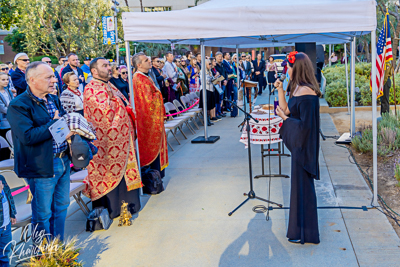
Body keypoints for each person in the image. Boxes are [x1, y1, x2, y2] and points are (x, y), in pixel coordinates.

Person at [8, 61, 73, 241]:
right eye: (49, 77)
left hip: (62, 160)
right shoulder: (18, 105)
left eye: (53, 76)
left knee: (61, 207)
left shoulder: (52, 98)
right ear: (32, 80)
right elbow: (27, 136)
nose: (54, 80)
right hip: (41, 165)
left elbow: (59, 127)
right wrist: (54, 123)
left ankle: (58, 251)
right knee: (43, 214)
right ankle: (43, 255)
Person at [83, 57, 142, 219]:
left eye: (109, 65)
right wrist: (121, 106)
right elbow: (103, 113)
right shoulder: (91, 88)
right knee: (109, 173)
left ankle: (128, 205)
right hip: (105, 143)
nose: (109, 68)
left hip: (122, 138)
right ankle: (113, 208)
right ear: (94, 71)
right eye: (105, 65)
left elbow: (120, 103)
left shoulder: (108, 84)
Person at [275, 51, 321, 245]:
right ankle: (299, 231)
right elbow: (286, 110)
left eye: (289, 67)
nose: (287, 70)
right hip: (298, 147)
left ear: (297, 68)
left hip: (304, 148)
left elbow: (306, 127)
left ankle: (308, 233)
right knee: (298, 189)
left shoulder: (309, 93)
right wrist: (280, 90)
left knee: (304, 189)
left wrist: (286, 120)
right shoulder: (297, 88)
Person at [131, 52, 169, 178]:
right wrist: (158, 95)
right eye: (146, 60)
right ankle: (153, 176)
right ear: (139, 65)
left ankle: (158, 174)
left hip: (153, 119)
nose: (149, 61)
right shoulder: (139, 79)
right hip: (148, 121)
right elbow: (148, 102)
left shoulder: (145, 76)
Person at [0, 175, 17, 267]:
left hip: (6, 226)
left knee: (4, 254)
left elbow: (9, 196)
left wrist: (12, 213)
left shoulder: (1, 178)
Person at [199, 59, 217, 126]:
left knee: (209, 106)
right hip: (205, 90)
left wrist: (216, 79)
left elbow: (212, 79)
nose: (210, 65)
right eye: (209, 64)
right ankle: (205, 121)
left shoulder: (209, 71)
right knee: (206, 106)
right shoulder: (202, 72)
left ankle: (208, 120)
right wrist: (212, 77)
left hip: (210, 89)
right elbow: (206, 80)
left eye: (210, 64)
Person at [0, 72, 14, 160]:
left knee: (11, 142)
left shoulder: (8, 91)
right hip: (2, 122)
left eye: (7, 79)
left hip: (10, 120)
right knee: (4, 145)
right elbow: (3, 108)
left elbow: (13, 102)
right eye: (3, 79)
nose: (6, 81)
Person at [215, 52, 228, 117]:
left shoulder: (223, 64)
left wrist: (226, 80)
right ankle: (217, 112)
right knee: (218, 99)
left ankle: (220, 111)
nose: (220, 58)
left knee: (221, 98)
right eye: (219, 56)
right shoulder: (215, 65)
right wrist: (221, 80)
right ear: (216, 57)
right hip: (218, 84)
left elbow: (225, 73)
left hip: (223, 83)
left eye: (221, 56)